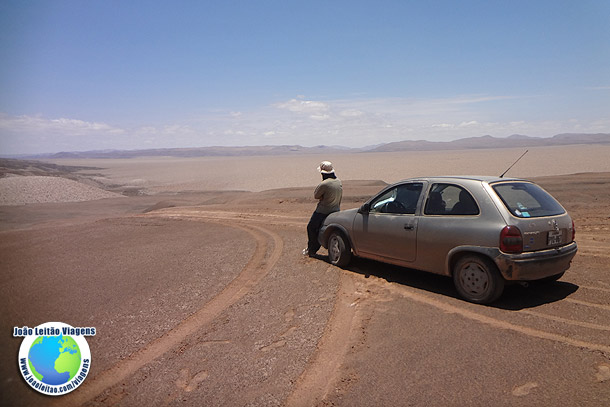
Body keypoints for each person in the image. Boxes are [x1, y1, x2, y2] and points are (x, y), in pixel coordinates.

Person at [304, 161, 343, 257]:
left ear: (323, 173)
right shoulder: (338, 181)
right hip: (336, 210)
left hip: (322, 211)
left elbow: (316, 196)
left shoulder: (324, 184)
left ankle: (312, 249)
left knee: (311, 228)